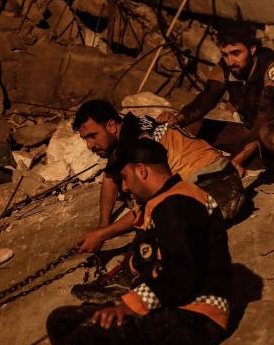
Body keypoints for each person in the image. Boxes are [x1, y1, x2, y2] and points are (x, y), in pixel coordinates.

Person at [47, 138, 231, 345]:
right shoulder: (165, 201)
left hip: (195, 318)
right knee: (61, 320)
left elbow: (181, 276)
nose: (123, 187)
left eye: (124, 178)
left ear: (142, 170)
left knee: (84, 341)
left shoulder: (176, 205)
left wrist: (130, 305)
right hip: (174, 308)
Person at [70, 100, 242, 303]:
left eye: (92, 136)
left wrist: (103, 234)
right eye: (85, 139)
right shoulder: (130, 129)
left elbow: (145, 208)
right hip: (223, 179)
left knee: (157, 215)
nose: (90, 145)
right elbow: (111, 177)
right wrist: (102, 227)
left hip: (216, 189)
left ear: (110, 125)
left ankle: (126, 278)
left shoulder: (136, 142)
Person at [157, 21, 274, 176]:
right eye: (225, 54)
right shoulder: (226, 67)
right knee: (191, 127)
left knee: (270, 136)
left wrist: (236, 161)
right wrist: (177, 119)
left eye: (236, 53)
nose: (230, 61)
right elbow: (205, 100)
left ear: (252, 49)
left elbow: (265, 120)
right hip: (252, 133)